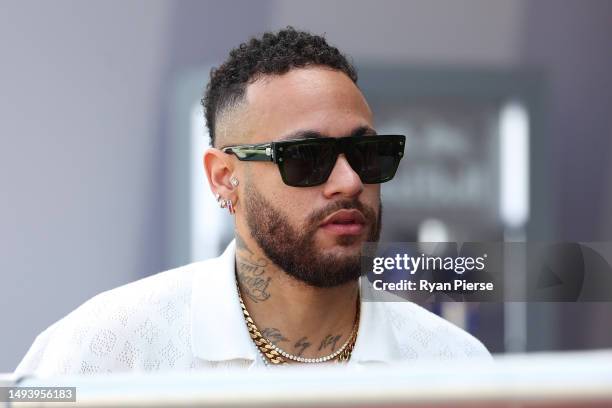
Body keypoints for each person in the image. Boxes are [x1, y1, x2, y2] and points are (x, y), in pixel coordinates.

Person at [15, 27, 490, 377]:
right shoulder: (109, 346)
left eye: (367, 154)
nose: (348, 181)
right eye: (305, 158)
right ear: (224, 178)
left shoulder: (453, 364)